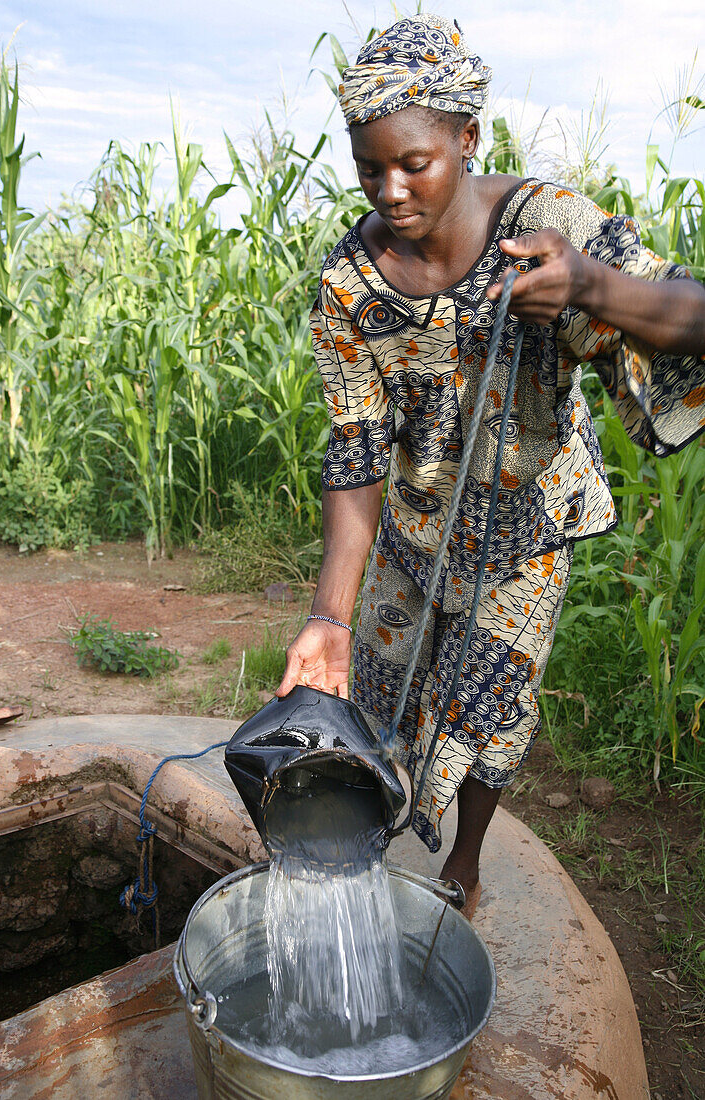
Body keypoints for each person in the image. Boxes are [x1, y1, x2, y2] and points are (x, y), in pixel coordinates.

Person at [276, 13, 705, 918]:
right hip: (415, 521)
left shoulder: (544, 224)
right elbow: (355, 454)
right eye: (368, 168)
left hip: (526, 528)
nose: (390, 189)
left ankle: (463, 867)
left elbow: (691, 313)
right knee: (379, 693)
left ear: (466, 139)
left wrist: (589, 285)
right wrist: (328, 616)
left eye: (414, 163)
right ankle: (361, 852)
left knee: (489, 710)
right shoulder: (351, 284)